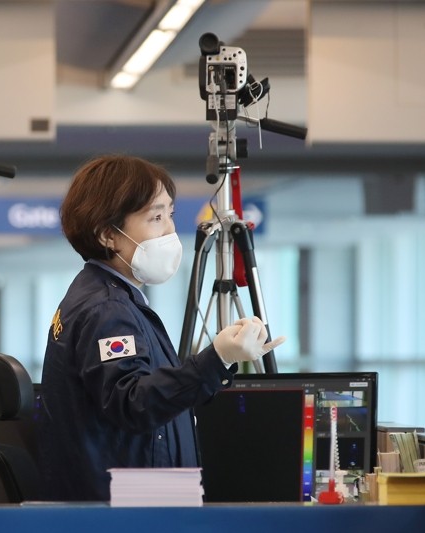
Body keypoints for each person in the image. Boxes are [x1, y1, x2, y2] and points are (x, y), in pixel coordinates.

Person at [38, 155, 285, 501]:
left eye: (170, 214)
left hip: (131, 497)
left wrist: (217, 364)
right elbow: (134, 403)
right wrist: (217, 358)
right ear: (108, 235)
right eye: (155, 218)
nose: (170, 230)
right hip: (124, 508)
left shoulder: (113, 298)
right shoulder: (106, 308)